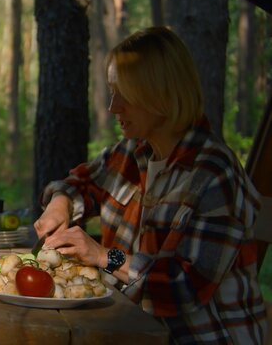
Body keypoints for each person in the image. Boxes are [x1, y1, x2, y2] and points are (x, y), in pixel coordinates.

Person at [34, 26, 268, 344]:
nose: (113, 107)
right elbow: (82, 183)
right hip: (134, 329)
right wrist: (60, 202)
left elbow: (181, 289)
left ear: (161, 94)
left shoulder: (214, 174)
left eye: (124, 94)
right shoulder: (134, 152)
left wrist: (105, 257)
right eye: (112, 91)